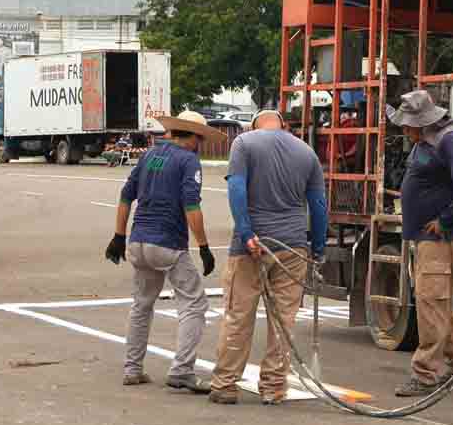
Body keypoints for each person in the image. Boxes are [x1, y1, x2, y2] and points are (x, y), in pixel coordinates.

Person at [209, 110, 328, 406]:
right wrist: (318, 246)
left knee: (239, 314)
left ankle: (225, 384)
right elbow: (318, 205)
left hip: (252, 245)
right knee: (283, 320)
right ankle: (274, 387)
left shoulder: (244, 143)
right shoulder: (306, 152)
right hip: (294, 246)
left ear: (253, 125)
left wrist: (247, 232)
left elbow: (236, 189)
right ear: (284, 125)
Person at [105, 110, 226, 393]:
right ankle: (182, 370)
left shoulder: (150, 155)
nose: (201, 144)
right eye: (201, 138)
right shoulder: (188, 160)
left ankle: (132, 369)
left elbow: (125, 196)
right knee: (194, 304)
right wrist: (204, 247)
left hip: (137, 242)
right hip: (168, 243)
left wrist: (118, 236)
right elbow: (191, 206)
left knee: (142, 305)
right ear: (194, 138)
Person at [386, 90, 453, 397]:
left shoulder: (449, 141)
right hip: (428, 237)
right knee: (436, 301)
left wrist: (444, 220)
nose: (404, 130)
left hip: (438, 237)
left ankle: (425, 372)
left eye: (407, 124)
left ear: (422, 122)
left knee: (430, 302)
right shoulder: (428, 141)